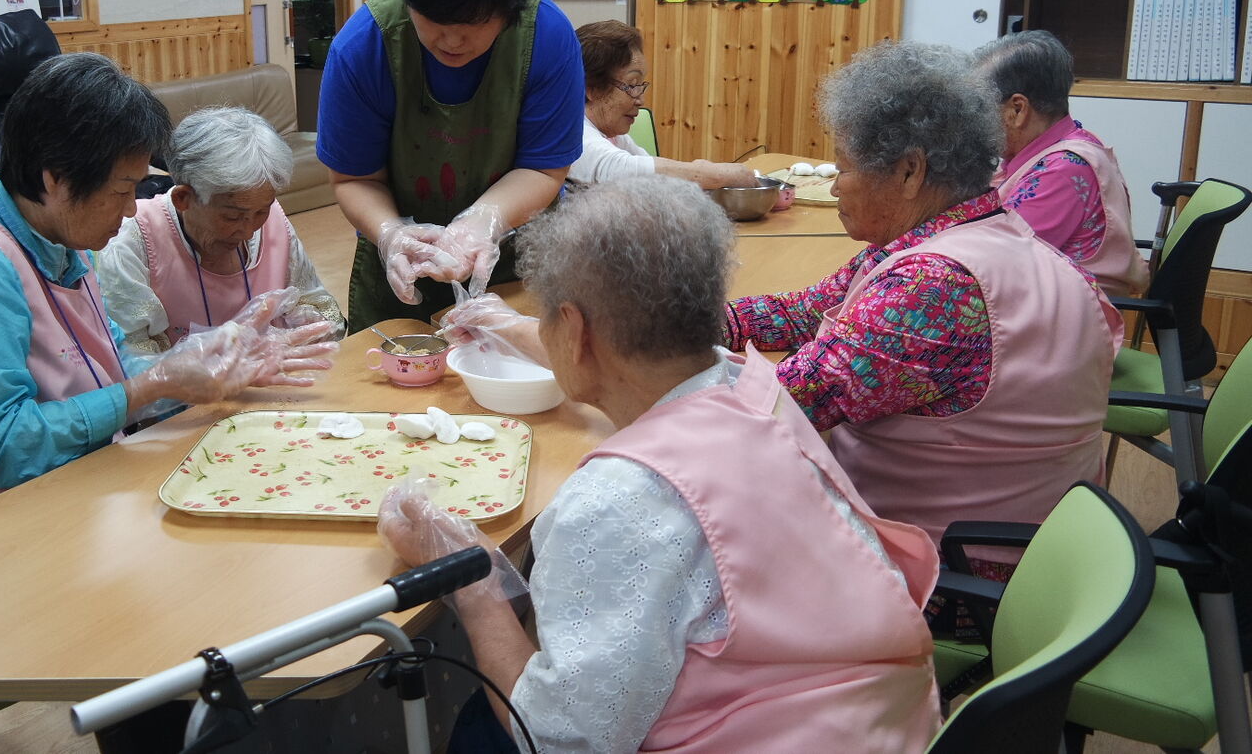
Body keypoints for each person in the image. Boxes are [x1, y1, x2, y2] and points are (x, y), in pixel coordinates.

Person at [452, 43, 1124, 579]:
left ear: (911, 172)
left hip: (945, 567)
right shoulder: (977, 233)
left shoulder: (933, 286)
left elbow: (756, 411)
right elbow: (804, 311)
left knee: (650, 531)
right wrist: (674, 315)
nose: (837, 186)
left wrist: (571, 338)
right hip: (1032, 536)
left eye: (844, 167)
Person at [383, 176, 941, 753]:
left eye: (545, 317)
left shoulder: (617, 499)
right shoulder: (752, 386)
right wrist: (509, 326)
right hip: (884, 721)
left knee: (482, 728)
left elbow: (556, 740)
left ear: (574, 331)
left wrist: (472, 581)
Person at [0, 54, 338, 536]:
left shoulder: (65, 241)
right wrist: (152, 385)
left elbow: (113, 368)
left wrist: (200, 369)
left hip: (76, 499)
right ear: (54, 178)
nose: (130, 211)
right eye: (122, 190)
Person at [316, 0, 584, 332]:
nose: (453, 41)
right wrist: (392, 234)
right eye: (435, 22)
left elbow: (544, 168)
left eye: (474, 24)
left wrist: (483, 222)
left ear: (509, 9)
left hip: (518, 261)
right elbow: (353, 179)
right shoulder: (364, 47)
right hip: (401, 271)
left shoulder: (546, 36)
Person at [97, 106, 345, 351]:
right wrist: (207, 357)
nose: (248, 232)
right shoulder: (133, 239)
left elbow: (319, 306)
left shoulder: (272, 218)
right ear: (183, 198)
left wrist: (311, 324)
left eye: (261, 212)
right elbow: (132, 356)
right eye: (232, 216)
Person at [973, 29, 1149, 298]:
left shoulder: (1062, 169)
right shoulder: (1061, 144)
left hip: (1070, 312)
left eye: (980, 108)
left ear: (1017, 109)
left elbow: (996, 261)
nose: (974, 121)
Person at [568, 20, 758, 189]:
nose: (640, 100)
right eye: (631, 85)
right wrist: (707, 174)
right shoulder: (570, 132)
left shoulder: (613, 136)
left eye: (640, 86)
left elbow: (653, 173)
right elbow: (617, 169)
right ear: (592, 89)